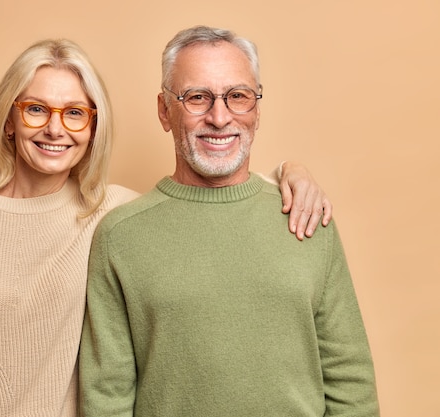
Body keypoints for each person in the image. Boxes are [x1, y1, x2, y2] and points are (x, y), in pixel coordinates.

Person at [0, 38, 333, 417]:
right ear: (9, 120)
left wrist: (291, 172)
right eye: (36, 109)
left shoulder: (114, 214)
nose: (55, 129)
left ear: (93, 127)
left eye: (74, 113)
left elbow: (209, 201)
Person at [78, 26, 380, 417]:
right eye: (197, 98)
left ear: (257, 109)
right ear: (164, 110)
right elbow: (107, 395)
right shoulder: (120, 236)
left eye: (237, 96)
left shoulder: (307, 216)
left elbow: (349, 378)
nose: (219, 118)